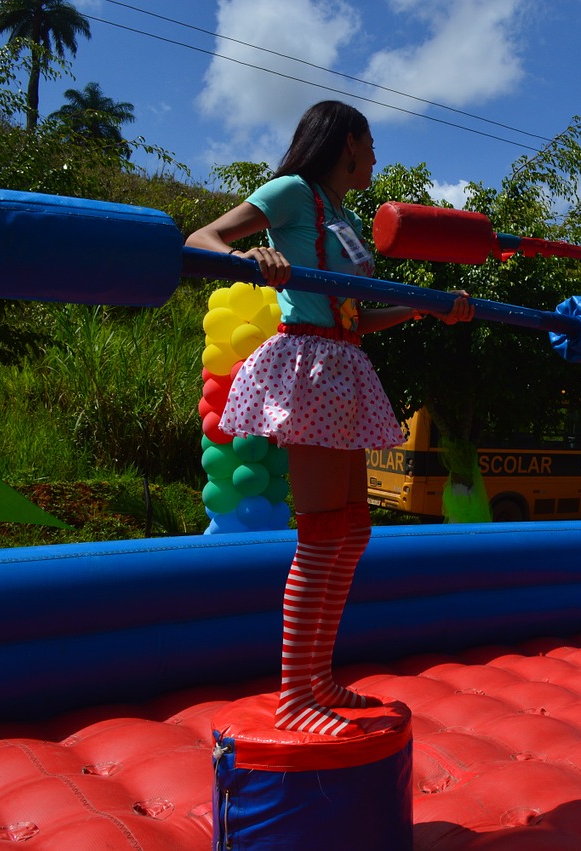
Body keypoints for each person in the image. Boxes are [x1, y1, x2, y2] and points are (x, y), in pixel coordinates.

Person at [186, 100, 475, 737]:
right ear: (346, 142)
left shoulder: (341, 216)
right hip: (309, 366)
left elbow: (356, 313)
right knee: (320, 535)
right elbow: (201, 239)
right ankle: (294, 697)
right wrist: (254, 262)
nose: (375, 157)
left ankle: (316, 677)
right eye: (370, 144)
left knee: (353, 530)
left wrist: (424, 309)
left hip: (345, 362)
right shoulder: (291, 192)